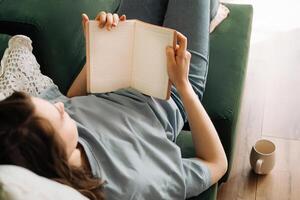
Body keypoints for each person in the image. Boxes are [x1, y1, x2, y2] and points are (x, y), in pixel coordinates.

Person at [0, 1, 227, 200]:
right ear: (55, 159)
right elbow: (216, 163)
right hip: (172, 86)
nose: (60, 107)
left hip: (123, 60)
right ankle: (208, 15)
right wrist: (184, 85)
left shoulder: (53, 129)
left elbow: (72, 101)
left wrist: (97, 54)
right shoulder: (135, 183)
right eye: (59, 116)